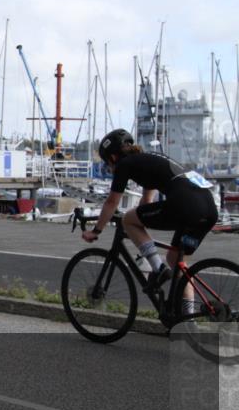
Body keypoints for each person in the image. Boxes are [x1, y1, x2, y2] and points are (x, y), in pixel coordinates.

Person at [82, 129, 218, 312]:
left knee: (128, 220)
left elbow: (112, 201)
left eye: (108, 164)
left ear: (113, 157)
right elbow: (146, 203)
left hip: (185, 206)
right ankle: (189, 318)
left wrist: (96, 230)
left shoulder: (125, 164)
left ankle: (158, 268)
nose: (110, 168)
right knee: (177, 262)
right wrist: (142, 232)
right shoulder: (149, 159)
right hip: (208, 209)